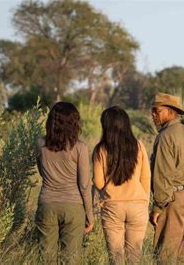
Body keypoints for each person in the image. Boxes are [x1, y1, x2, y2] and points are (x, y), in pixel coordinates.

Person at [149, 92, 184, 262]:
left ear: (170, 111)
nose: (153, 114)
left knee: (165, 254)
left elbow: (163, 175)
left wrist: (158, 207)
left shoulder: (165, 137)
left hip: (176, 199)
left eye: (156, 111)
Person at [35, 102, 94, 264]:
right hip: (73, 206)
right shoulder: (80, 148)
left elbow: (42, 172)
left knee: (46, 257)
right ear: (74, 122)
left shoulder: (40, 144)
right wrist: (90, 214)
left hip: (47, 203)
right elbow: (84, 185)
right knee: (71, 259)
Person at [93, 106, 151, 264]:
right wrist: (144, 199)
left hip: (113, 206)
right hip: (138, 205)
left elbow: (98, 181)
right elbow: (146, 177)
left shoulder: (101, 149)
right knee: (134, 256)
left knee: (116, 256)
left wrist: (108, 189)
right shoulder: (138, 146)